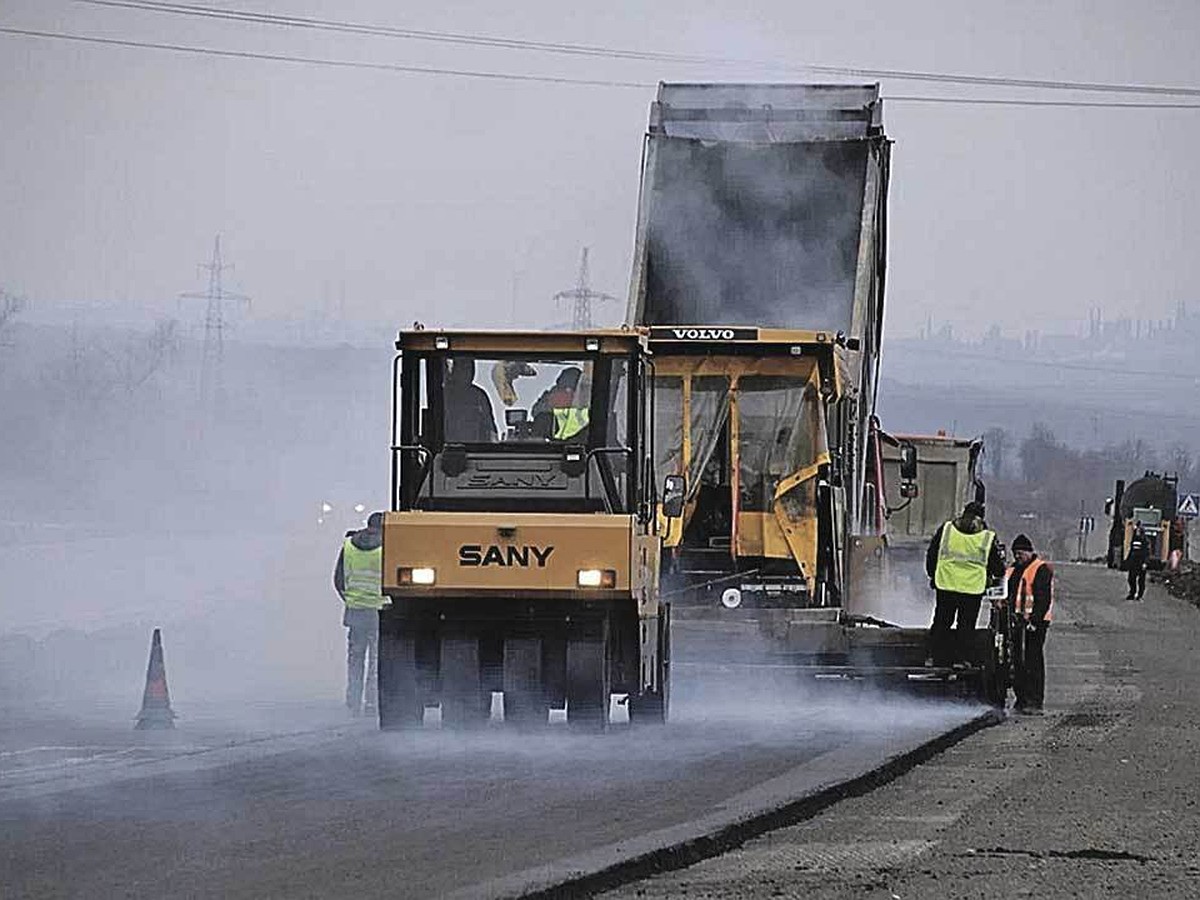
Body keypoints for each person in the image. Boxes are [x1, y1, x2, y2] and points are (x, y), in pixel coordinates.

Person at [926, 501, 1006, 667]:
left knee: (942, 622)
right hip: (972, 589)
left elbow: (932, 553)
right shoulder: (986, 537)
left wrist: (933, 576)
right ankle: (961, 659)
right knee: (966, 626)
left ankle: (936, 658)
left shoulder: (946, 529)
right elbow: (998, 568)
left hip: (946, 584)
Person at [333, 511, 386, 716]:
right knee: (375, 661)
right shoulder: (387, 547)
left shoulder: (348, 546)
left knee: (355, 659)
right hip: (380, 612)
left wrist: (350, 600)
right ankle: (371, 703)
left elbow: (338, 580)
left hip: (355, 612)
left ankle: (353, 701)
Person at [1006, 533, 1054, 714]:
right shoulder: (1012, 570)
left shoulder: (1040, 569)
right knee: (1017, 661)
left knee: (1033, 661)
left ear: (1029, 552)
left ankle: (1034, 701)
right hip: (1017, 622)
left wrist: (1034, 619)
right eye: (1015, 553)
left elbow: (1043, 598)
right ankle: (1021, 699)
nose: (1017, 557)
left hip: (1036, 623)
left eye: (1020, 553)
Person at [444, 357, 497, 443]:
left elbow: (491, 430)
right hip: (448, 452)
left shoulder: (479, 396)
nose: (467, 372)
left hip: (475, 452)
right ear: (454, 370)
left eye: (469, 368)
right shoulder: (442, 396)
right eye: (463, 367)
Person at [1125, 523, 1149, 600]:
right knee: (1131, 578)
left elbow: (1146, 553)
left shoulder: (1145, 541)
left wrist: (1145, 563)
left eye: (1138, 531)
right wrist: (1127, 561)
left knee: (1141, 580)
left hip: (1141, 562)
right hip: (1133, 562)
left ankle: (1140, 595)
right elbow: (1131, 550)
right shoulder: (1134, 539)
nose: (1137, 532)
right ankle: (1132, 593)